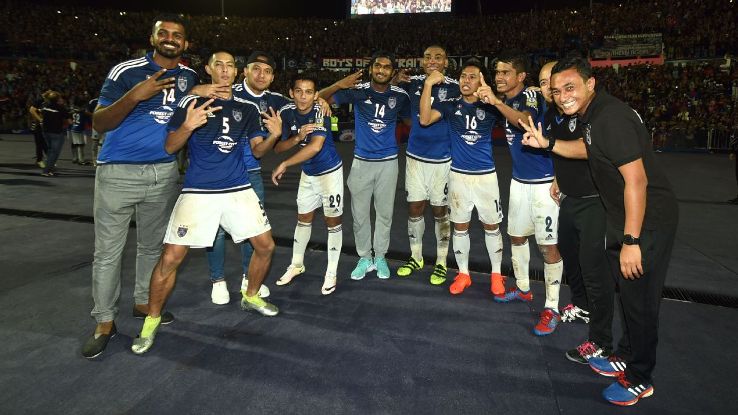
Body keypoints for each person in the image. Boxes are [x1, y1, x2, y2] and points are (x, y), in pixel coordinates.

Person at [520, 56, 678, 406]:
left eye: (570, 87)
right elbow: (588, 150)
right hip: (624, 217)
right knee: (626, 294)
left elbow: (636, 180)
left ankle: (640, 377)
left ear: (591, 84)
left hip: (647, 221)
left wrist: (631, 240)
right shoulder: (591, 116)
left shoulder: (609, 117)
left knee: (639, 301)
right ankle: (623, 353)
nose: (562, 96)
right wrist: (548, 145)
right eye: (557, 90)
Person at [132, 51, 279, 355]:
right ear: (209, 69)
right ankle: (152, 320)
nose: (225, 70)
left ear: (237, 72)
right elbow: (170, 145)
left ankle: (250, 296)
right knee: (171, 257)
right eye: (219, 65)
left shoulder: (248, 108)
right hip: (198, 190)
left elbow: (260, 152)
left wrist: (274, 136)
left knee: (266, 246)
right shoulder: (191, 102)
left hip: (238, 187)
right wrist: (187, 127)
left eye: (230, 65)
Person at [82, 15, 205, 359]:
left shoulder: (188, 76)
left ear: (185, 43)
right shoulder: (126, 71)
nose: (170, 38)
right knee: (108, 254)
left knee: (152, 249)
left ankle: (142, 303)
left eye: (177, 35)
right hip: (117, 172)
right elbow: (100, 121)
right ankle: (104, 322)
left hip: (163, 173)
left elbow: (187, 109)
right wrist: (135, 96)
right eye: (163, 33)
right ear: (152, 38)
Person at [481, 51, 564, 336]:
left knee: (547, 246)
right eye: (497, 73)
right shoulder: (509, 101)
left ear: (520, 77)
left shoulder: (529, 95)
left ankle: (551, 307)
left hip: (544, 185)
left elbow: (524, 122)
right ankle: (524, 288)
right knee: (516, 235)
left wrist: (494, 101)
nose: (499, 77)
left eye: (505, 73)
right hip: (519, 182)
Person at [538, 61, 613, 360]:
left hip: (596, 200)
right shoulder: (554, 114)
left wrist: (551, 143)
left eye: (560, 86)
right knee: (570, 255)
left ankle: (602, 341)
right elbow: (563, 152)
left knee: (596, 271)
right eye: (548, 86)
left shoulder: (591, 113)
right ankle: (581, 306)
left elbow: (589, 147)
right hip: (570, 198)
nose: (554, 92)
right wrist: (559, 178)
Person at [320, 51, 410, 280]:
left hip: (388, 163)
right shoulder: (358, 91)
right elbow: (318, 98)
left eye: (387, 67)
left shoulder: (401, 95)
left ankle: (380, 256)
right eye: (377, 66)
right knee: (359, 215)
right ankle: (364, 257)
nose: (381, 70)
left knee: (385, 213)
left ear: (393, 72)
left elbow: (414, 122)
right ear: (371, 69)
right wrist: (340, 83)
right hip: (361, 162)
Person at [206, 51, 286, 305]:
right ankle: (218, 280)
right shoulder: (226, 91)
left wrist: (323, 100)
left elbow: (306, 99)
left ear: (273, 77)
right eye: (256, 69)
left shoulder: (275, 100)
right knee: (216, 232)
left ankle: (247, 277)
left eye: (267, 71)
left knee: (254, 230)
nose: (261, 75)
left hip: (250, 173)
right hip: (218, 172)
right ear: (245, 71)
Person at [418, 59, 503, 297]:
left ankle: (497, 275)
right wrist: (427, 86)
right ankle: (463, 274)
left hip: (486, 176)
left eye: (472, 76)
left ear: (482, 81)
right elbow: (424, 119)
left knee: (492, 226)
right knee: (460, 227)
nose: (466, 81)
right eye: (463, 76)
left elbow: (518, 115)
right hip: (458, 176)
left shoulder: (492, 106)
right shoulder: (449, 105)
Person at [271, 75, 343, 295]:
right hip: (308, 173)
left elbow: (315, 147)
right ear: (291, 93)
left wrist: (285, 164)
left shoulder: (321, 111)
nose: (304, 96)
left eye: (309, 92)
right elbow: (278, 148)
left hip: (330, 173)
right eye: (299, 91)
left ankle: (331, 271)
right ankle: (297, 264)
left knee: (333, 223)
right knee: (303, 219)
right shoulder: (286, 113)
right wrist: (295, 138)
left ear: (315, 94)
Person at [394, 45, 459, 285]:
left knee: (439, 210)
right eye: (428, 57)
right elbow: (390, 95)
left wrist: (430, 83)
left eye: (438, 57)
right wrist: (396, 79)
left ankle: (441, 261)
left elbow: (426, 119)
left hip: (441, 160)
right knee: (414, 208)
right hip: (414, 157)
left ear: (446, 62)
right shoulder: (412, 83)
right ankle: (416, 257)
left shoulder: (453, 87)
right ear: (422, 61)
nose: (432, 60)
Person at [39, 90, 70, 177]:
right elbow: (70, 121)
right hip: (57, 133)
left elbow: (42, 117)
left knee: (50, 151)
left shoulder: (45, 107)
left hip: (46, 132)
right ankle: (46, 171)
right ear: (57, 99)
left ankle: (50, 169)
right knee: (54, 152)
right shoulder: (61, 108)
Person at [28, 96, 47, 168]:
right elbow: (32, 111)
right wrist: (40, 120)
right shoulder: (39, 102)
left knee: (44, 143)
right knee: (40, 143)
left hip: (44, 126)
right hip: (37, 126)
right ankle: (39, 160)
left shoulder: (48, 103)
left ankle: (44, 160)